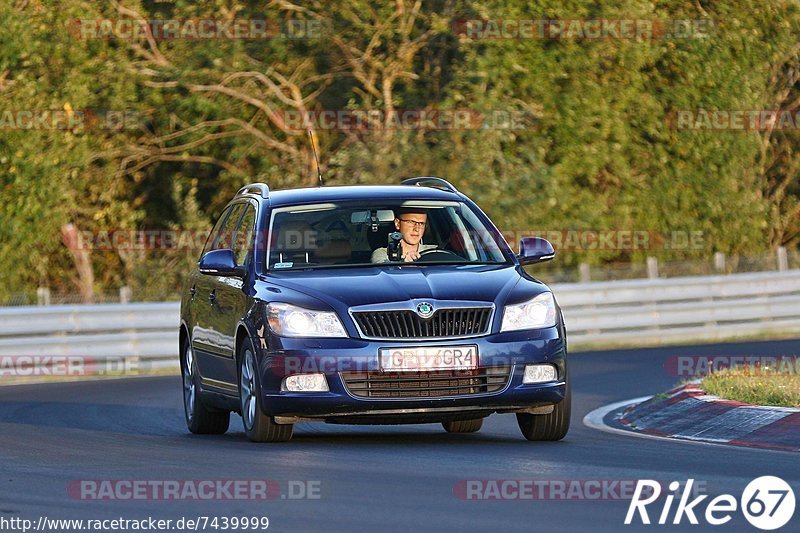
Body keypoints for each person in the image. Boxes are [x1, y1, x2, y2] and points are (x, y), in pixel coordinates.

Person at [371, 207, 437, 263]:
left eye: (421, 223)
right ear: (397, 224)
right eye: (411, 222)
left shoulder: (435, 252)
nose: (417, 229)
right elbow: (384, 270)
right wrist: (403, 264)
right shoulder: (383, 254)